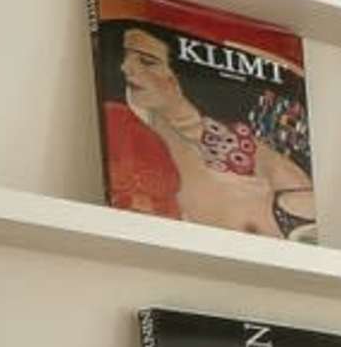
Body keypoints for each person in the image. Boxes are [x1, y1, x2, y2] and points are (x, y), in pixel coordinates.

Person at [101, 21, 317, 240]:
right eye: (126, 57)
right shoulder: (127, 121)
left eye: (147, 61)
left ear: (177, 78)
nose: (125, 67)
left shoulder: (250, 146)